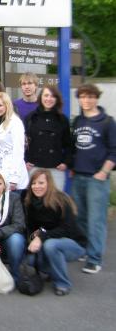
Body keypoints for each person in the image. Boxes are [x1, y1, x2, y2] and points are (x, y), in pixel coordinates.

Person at [71, 83, 116, 274]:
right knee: (80, 217)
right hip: (78, 176)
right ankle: (84, 249)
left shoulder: (107, 121)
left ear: (96, 98)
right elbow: (74, 147)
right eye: (83, 96)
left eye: (90, 96)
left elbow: (114, 151)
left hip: (97, 179)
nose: (86, 100)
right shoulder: (79, 121)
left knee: (96, 219)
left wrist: (104, 172)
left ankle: (95, 258)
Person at [24, 169, 87, 296]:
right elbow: (31, 228)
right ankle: (53, 271)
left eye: (41, 183)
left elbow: (67, 229)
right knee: (30, 259)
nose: (37, 186)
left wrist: (41, 237)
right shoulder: (30, 202)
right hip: (48, 238)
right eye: (34, 183)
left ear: (49, 183)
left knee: (51, 245)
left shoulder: (61, 200)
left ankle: (63, 283)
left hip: (73, 243)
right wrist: (32, 239)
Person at [25, 85, 72, 191]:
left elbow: (68, 145)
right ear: (41, 97)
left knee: (55, 203)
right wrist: (25, 160)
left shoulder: (62, 120)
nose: (49, 99)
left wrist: (65, 162)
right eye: (46, 95)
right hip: (35, 167)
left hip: (55, 169)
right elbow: (22, 143)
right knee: (36, 203)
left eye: (52, 96)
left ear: (57, 99)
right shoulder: (31, 118)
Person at [0, 92, 28, 194]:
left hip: (13, 174)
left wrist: (13, 178)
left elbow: (18, 151)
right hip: (1, 169)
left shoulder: (15, 122)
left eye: (0, 105)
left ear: (7, 105)